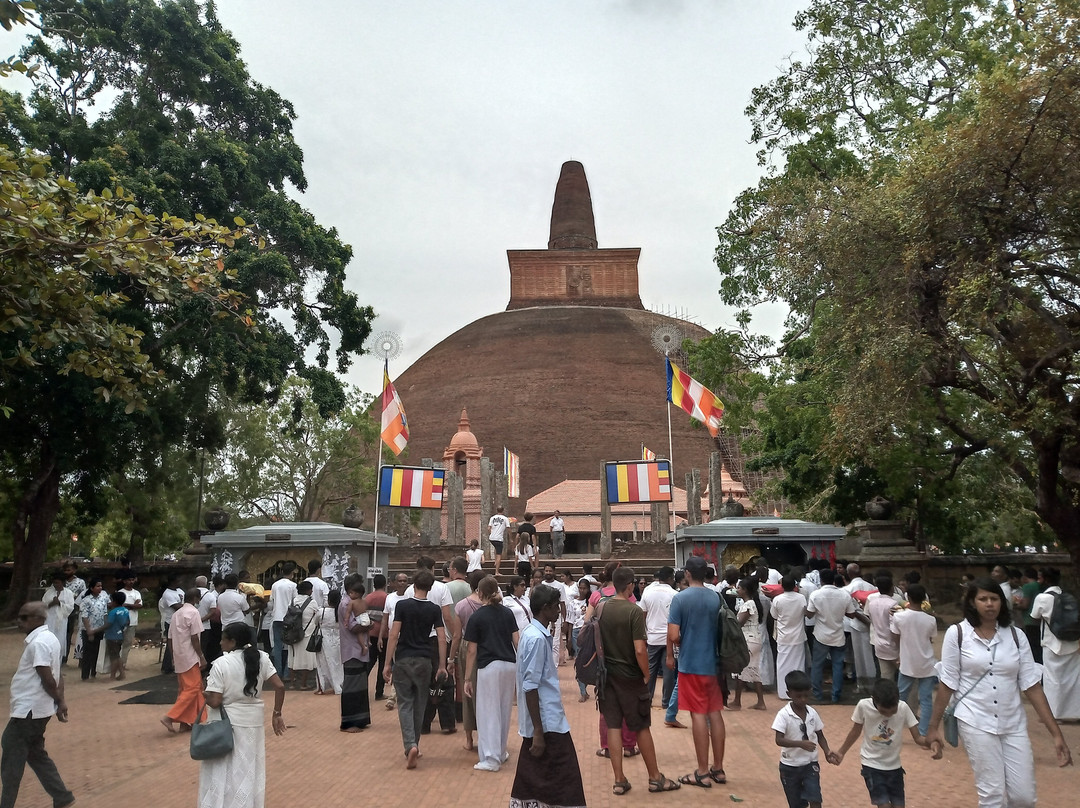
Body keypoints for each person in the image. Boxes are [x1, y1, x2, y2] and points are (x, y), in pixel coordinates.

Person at [927, 577, 1072, 807]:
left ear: (1002, 603)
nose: (989, 604)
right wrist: (933, 728)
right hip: (975, 720)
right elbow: (948, 684)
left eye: (994, 599)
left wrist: (1056, 734)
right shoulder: (958, 634)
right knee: (992, 795)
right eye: (983, 599)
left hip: (1013, 723)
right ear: (973, 603)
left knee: (1024, 797)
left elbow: (1032, 686)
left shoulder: (1016, 636)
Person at [595, 566, 680, 795]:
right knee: (641, 726)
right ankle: (655, 777)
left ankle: (619, 779)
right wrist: (647, 674)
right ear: (630, 585)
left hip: (608, 677)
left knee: (613, 725)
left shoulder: (601, 608)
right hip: (631, 676)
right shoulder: (632, 611)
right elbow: (640, 650)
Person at [509, 582, 587, 808]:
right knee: (565, 780)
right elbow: (530, 686)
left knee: (536, 779)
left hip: (546, 721)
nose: (558, 611)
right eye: (555, 607)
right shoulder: (535, 639)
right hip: (546, 724)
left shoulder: (534, 634)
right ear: (545, 608)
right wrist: (539, 733)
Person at [198, 623, 285, 808]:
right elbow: (279, 686)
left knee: (222, 769)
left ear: (233, 642)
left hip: (225, 725)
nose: (220, 642)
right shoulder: (262, 657)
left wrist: (203, 693)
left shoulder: (221, 663)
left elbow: (215, 701)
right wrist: (277, 713)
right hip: (253, 722)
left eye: (223, 638)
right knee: (247, 769)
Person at [1, 602, 74, 808]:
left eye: (25, 617)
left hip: (29, 711)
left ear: (39, 619)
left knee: (11, 758)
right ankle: (62, 796)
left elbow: (49, 678)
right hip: (37, 710)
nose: (19, 621)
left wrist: (60, 701)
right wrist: (60, 701)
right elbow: (58, 674)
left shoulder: (39, 643)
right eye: (20, 616)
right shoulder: (49, 638)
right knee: (36, 755)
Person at [666, 555, 726, 787]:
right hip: (713, 664)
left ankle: (701, 772)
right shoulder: (715, 597)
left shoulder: (680, 599)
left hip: (691, 664)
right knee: (715, 713)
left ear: (687, 574)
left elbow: (672, 635)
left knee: (697, 714)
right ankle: (718, 768)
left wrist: (683, 641)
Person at [383, 569, 446, 768]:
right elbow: (442, 637)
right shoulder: (434, 609)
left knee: (405, 703)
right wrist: (442, 665)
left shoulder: (402, 605)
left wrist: (387, 663)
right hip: (424, 659)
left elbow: (394, 635)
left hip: (403, 658)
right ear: (430, 587)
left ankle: (410, 744)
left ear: (414, 585)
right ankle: (415, 744)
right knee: (420, 703)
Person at [833, 679, 928, 808]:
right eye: (883, 711)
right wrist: (841, 752)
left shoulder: (903, 707)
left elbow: (917, 738)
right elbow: (855, 731)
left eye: (892, 711)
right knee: (884, 805)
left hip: (895, 767)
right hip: (871, 764)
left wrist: (931, 742)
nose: (888, 715)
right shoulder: (863, 706)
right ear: (874, 701)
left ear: (898, 701)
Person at [464, 575, 520, 772]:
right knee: (504, 710)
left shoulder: (477, 617)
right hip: (509, 665)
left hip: (489, 666)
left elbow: (472, 650)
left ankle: (491, 758)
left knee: (488, 712)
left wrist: (467, 677)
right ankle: (500, 751)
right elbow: (516, 640)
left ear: (480, 593)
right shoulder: (507, 613)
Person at [772, 670, 835, 808]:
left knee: (815, 798)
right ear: (789, 694)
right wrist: (800, 744)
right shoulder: (783, 715)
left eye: (806, 696)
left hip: (810, 764)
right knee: (796, 804)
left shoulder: (812, 713)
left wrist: (827, 751)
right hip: (789, 766)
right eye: (798, 696)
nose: (803, 700)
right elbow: (779, 740)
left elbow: (820, 735)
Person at [1030, 567, 1080, 720]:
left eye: (1040, 578)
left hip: (1051, 643)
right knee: (1073, 679)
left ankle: (1054, 714)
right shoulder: (1069, 597)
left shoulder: (1042, 598)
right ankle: (1074, 713)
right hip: (1072, 643)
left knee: (1053, 679)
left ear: (1045, 579)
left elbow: (1034, 617)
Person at [890, 583, 938, 736]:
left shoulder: (898, 617)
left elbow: (895, 638)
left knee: (900, 698)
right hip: (927, 664)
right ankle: (923, 733)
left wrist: (898, 654)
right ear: (924, 598)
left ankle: (895, 730)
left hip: (907, 662)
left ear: (907, 597)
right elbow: (930, 639)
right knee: (926, 700)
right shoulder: (931, 620)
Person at [807, 568, 860, 703]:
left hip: (821, 635)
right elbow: (852, 614)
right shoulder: (844, 595)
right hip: (838, 635)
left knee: (817, 665)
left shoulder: (815, 595)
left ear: (822, 580)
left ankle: (817, 694)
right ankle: (836, 695)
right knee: (837, 666)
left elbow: (810, 614)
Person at [161, 588, 205, 733]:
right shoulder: (193, 613)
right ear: (197, 598)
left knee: (187, 689)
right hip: (190, 656)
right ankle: (170, 716)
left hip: (179, 655)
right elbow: (194, 638)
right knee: (193, 688)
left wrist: (173, 656)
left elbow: (170, 638)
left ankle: (187, 721)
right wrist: (201, 656)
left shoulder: (176, 614)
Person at [640, 566, 678, 711]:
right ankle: (666, 702)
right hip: (669, 638)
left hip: (652, 637)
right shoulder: (674, 594)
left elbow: (642, 616)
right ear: (670, 578)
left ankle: (647, 699)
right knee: (668, 672)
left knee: (650, 670)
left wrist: (644, 635)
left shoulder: (648, 593)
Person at [456, 570, 485, 752]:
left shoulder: (461, 605)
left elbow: (458, 634)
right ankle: (486, 736)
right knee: (486, 694)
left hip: (467, 647)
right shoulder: (492, 605)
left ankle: (468, 739)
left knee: (468, 693)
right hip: (488, 647)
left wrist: (451, 658)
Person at [338, 575, 371, 731]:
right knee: (352, 686)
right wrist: (369, 626)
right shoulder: (346, 604)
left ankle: (361, 719)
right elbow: (353, 627)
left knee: (360, 685)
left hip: (358, 650)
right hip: (352, 650)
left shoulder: (352, 602)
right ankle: (350, 722)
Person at [732, 577, 767, 711]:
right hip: (754, 639)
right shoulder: (751, 603)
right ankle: (760, 702)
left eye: (739, 588)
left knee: (742, 669)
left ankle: (737, 701)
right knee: (753, 670)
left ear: (745, 590)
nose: (737, 590)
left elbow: (739, 623)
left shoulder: (748, 605)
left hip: (748, 639)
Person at [771, 575, 807, 701]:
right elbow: (805, 612)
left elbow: (774, 616)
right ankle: (799, 692)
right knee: (798, 665)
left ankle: (783, 692)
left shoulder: (777, 599)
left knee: (782, 665)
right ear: (795, 586)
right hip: (798, 636)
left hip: (783, 636)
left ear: (782, 586)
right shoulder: (801, 598)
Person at [378, 571, 410, 711]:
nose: (402, 583)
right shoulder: (390, 598)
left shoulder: (411, 597)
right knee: (397, 665)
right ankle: (394, 695)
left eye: (405, 580)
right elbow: (385, 618)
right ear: (395, 583)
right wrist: (381, 636)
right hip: (393, 637)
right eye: (400, 581)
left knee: (401, 667)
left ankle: (393, 696)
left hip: (408, 637)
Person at [844, 563, 877, 694]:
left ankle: (862, 685)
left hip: (857, 624)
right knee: (870, 655)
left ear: (849, 574)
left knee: (859, 656)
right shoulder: (871, 587)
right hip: (872, 623)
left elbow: (850, 611)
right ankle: (872, 682)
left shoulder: (848, 589)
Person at [865, 570, 903, 681]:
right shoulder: (894, 603)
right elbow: (895, 627)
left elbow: (869, 618)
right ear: (891, 588)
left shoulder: (872, 603)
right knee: (903, 675)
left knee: (885, 676)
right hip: (893, 644)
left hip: (879, 643)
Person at [287, 580, 319, 691]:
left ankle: (291, 683)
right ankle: (303, 684)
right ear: (308, 590)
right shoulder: (312, 602)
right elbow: (317, 616)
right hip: (306, 633)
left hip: (293, 633)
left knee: (292, 658)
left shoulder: (293, 601)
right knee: (306, 659)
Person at [268, 563, 298, 681]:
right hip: (289, 618)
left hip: (276, 617)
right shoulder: (293, 585)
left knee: (277, 646)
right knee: (290, 646)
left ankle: (277, 673)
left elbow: (271, 601)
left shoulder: (275, 585)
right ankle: (286, 673)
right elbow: (295, 602)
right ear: (291, 573)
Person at [79, 578, 109, 681]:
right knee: (87, 652)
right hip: (89, 629)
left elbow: (105, 613)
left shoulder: (103, 599)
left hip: (99, 629)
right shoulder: (86, 600)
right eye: (97, 586)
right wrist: (89, 631)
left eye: (101, 586)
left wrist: (105, 626)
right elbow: (84, 616)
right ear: (92, 588)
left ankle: (93, 672)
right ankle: (85, 675)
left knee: (96, 651)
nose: (100, 588)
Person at [314, 589, 343, 696]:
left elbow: (315, 622)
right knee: (338, 663)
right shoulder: (341, 611)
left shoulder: (321, 612)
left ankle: (323, 686)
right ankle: (339, 684)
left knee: (323, 663)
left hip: (324, 640)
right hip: (338, 639)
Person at [365, 574, 388, 700]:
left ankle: (361, 688)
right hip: (384, 634)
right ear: (385, 584)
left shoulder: (368, 598)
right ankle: (379, 692)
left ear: (374, 584)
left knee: (369, 661)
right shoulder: (387, 598)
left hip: (370, 633)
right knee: (383, 664)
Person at [58, 560, 86, 666]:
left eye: (69, 570)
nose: (66, 572)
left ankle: (65, 657)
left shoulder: (80, 582)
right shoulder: (61, 581)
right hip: (59, 609)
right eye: (65, 570)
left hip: (72, 610)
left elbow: (82, 596)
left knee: (67, 635)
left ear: (74, 570)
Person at [1016, 566, 1044, 664]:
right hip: (1041, 620)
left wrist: (1015, 604)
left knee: (1033, 649)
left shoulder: (1027, 587)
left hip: (1030, 620)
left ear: (1024, 577)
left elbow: (1025, 605)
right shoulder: (1040, 585)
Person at [40, 573, 74, 652]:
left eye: (57, 582)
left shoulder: (68, 593)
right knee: (48, 638)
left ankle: (58, 660)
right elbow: (42, 605)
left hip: (61, 620)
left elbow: (70, 607)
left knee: (59, 639)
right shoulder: (48, 592)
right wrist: (52, 603)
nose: (55, 584)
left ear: (62, 582)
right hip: (49, 619)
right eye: (54, 582)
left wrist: (59, 603)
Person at [118, 573, 143, 675]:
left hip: (132, 621)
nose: (131, 582)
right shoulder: (120, 592)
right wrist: (133, 605)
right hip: (121, 621)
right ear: (124, 581)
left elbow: (139, 605)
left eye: (132, 580)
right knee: (119, 642)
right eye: (129, 580)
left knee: (127, 643)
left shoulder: (136, 593)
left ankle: (123, 663)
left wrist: (128, 605)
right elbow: (120, 605)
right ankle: (117, 664)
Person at [103, 590, 130, 680]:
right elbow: (128, 622)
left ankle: (113, 675)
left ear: (114, 602)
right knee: (117, 654)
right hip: (120, 635)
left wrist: (97, 630)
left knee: (114, 657)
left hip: (112, 635)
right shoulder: (125, 610)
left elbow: (108, 624)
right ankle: (121, 673)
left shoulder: (113, 612)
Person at [488, 505, 510, 576]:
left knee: (495, 548)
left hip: (492, 537)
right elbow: (508, 528)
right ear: (503, 511)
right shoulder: (505, 519)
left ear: (497, 510)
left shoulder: (492, 518)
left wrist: (491, 533)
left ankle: (495, 561)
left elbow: (488, 528)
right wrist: (511, 538)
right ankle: (497, 571)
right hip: (499, 538)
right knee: (499, 554)